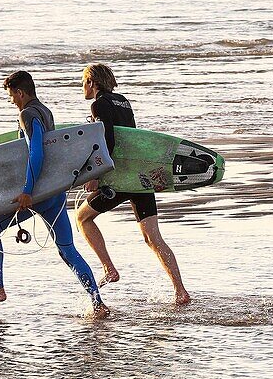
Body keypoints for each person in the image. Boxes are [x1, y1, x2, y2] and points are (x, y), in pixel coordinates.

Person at [0, 70, 110, 319]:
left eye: (11, 96)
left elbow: (37, 153)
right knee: (68, 251)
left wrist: (27, 191)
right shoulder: (45, 111)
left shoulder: (27, 114)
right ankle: (97, 303)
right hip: (55, 191)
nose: (11, 101)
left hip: (37, 193)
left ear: (20, 92)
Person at [75, 63, 191, 305]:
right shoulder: (123, 101)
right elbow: (135, 138)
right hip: (141, 175)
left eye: (83, 81)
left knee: (82, 217)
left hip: (120, 178)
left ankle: (109, 269)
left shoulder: (99, 104)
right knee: (153, 237)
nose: (82, 87)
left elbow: (109, 139)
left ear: (93, 82)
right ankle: (180, 291)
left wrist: (96, 174)